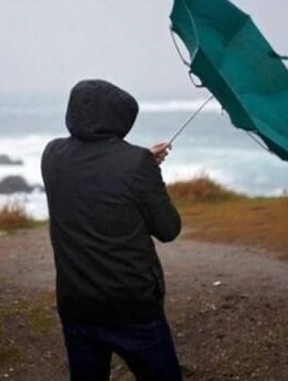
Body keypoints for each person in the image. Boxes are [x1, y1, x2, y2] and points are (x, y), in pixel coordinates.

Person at [41, 79, 184, 381]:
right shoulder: (135, 164)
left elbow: (95, 170)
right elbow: (168, 228)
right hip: (132, 304)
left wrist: (141, 162)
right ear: (121, 118)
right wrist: (146, 167)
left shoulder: (52, 155)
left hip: (75, 300)